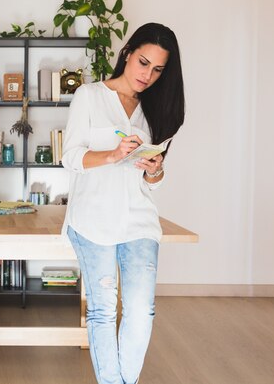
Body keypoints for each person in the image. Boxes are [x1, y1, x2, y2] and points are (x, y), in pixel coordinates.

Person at [62, 22, 185, 384]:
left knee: (140, 312)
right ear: (128, 53)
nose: (148, 75)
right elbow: (70, 157)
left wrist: (155, 169)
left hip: (139, 221)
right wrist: (113, 154)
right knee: (102, 311)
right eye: (143, 62)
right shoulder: (89, 95)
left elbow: (153, 182)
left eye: (158, 69)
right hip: (92, 219)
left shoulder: (156, 109)